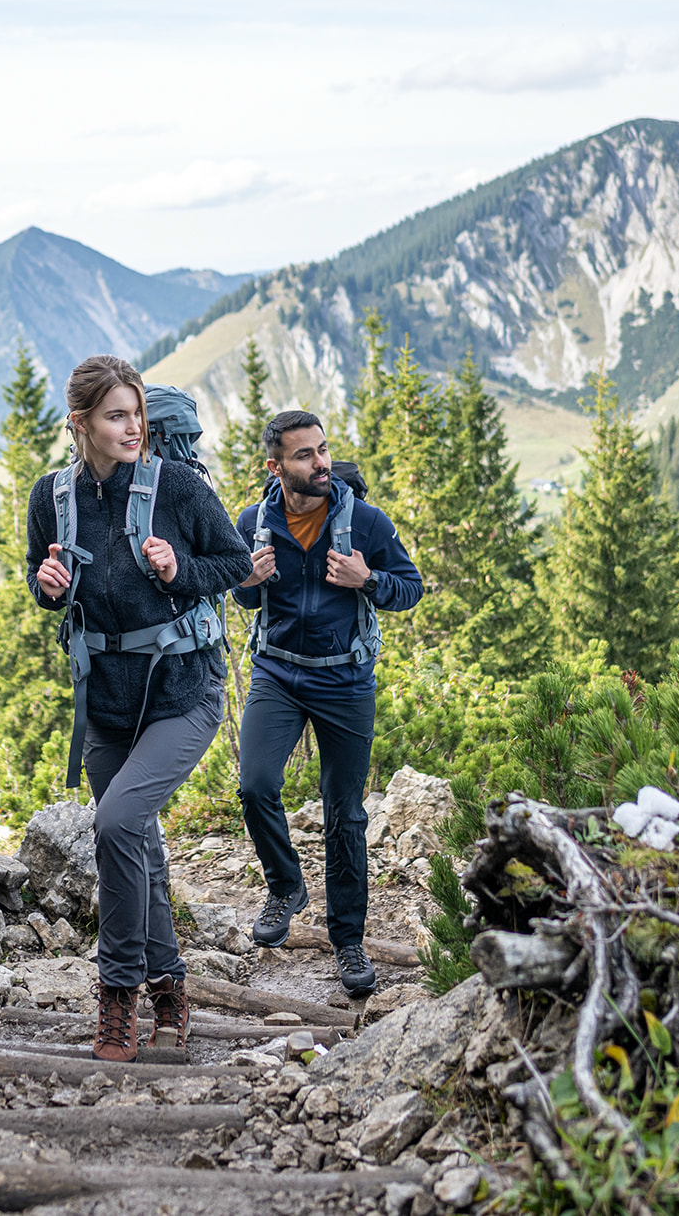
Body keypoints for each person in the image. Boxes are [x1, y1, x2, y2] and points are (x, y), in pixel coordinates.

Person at [28, 356, 253, 1059]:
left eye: (137, 413)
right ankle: (172, 999)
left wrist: (179, 570)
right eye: (116, 415)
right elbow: (43, 579)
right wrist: (47, 582)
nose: (133, 427)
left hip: (184, 691)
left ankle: (117, 996)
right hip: (106, 702)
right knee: (139, 847)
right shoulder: (52, 496)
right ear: (81, 424)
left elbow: (238, 564)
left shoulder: (178, 487)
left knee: (119, 820)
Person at [232, 409, 424, 997]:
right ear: (276, 466)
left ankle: (349, 942)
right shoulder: (253, 522)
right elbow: (242, 597)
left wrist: (367, 579)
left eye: (323, 451)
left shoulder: (365, 522)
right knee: (255, 785)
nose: (320, 464)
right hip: (278, 672)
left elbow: (410, 588)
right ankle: (286, 886)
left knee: (346, 815)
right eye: (304, 455)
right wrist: (248, 580)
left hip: (345, 680)